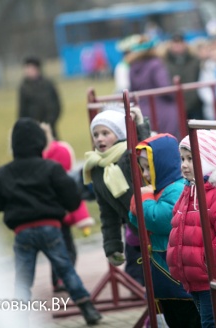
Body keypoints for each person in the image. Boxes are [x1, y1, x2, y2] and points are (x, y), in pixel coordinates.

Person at [0, 118, 101, 326]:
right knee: (65, 268)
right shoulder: (51, 168)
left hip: (22, 232)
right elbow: (71, 196)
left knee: (23, 277)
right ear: (40, 142)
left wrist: (8, 206)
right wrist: (67, 205)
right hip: (51, 228)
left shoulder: (3, 173)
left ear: (14, 145)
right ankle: (87, 308)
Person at [167, 130, 216, 328]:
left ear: (208, 161)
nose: (184, 164)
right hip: (193, 274)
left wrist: (206, 262)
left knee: (213, 322)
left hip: (209, 273)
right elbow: (178, 223)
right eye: (182, 158)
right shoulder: (189, 189)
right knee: (210, 320)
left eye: (191, 159)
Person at [129, 133, 201, 327]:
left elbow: (158, 220)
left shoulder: (176, 189)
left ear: (162, 164)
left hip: (176, 274)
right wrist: (142, 202)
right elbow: (137, 221)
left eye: (148, 167)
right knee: (173, 319)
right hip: (164, 271)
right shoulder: (158, 190)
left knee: (189, 320)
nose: (144, 174)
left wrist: (142, 199)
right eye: (142, 168)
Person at [82, 105, 150, 282]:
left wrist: (140, 124)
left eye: (106, 133)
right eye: (96, 134)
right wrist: (112, 247)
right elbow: (107, 213)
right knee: (137, 277)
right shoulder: (96, 168)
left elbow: (146, 150)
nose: (99, 138)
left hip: (156, 224)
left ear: (119, 134)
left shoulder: (129, 155)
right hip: (135, 231)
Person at [40, 123, 95, 293]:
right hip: (56, 213)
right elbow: (72, 194)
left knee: (60, 249)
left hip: (52, 213)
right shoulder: (52, 160)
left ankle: (60, 279)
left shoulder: (47, 159)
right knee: (65, 249)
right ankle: (64, 280)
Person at [127, 35, 180, 139]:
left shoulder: (132, 66)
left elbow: (132, 90)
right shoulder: (156, 64)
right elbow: (164, 86)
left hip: (143, 112)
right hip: (163, 111)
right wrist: (175, 95)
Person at [18, 56, 61, 139]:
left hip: (50, 127)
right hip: (31, 129)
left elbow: (56, 104)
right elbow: (22, 110)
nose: (28, 71)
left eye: (30, 68)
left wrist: (49, 122)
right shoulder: (24, 87)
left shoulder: (48, 84)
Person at [164, 33, 204, 120]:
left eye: (180, 43)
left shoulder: (195, 60)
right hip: (175, 104)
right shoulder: (164, 62)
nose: (178, 46)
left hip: (195, 104)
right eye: (175, 43)